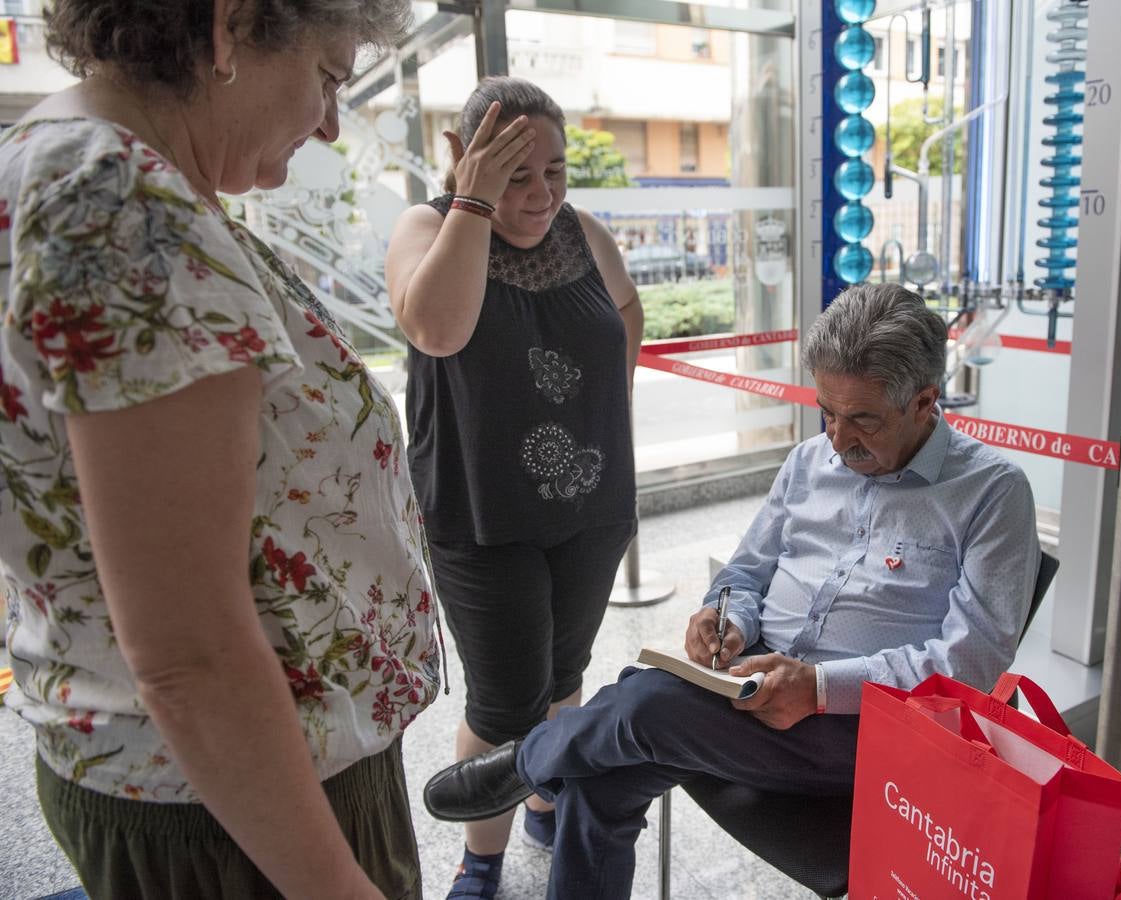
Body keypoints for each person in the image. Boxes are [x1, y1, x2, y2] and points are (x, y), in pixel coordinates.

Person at [0, 2, 440, 898]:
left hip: (197, 776)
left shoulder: (63, 163)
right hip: (245, 802)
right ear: (230, 29)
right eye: (327, 73)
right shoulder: (123, 205)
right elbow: (190, 654)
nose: (327, 121)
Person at [422, 283, 1042, 900]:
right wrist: (727, 619)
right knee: (597, 782)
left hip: (871, 733)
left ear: (926, 402)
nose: (835, 437)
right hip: (750, 686)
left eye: (862, 420)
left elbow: (972, 663)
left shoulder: (991, 492)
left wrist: (821, 689)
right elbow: (744, 575)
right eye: (826, 411)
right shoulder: (808, 462)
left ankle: (527, 763)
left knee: (644, 705)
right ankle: (559, 762)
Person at [384, 76, 642, 898]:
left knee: (564, 673)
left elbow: (627, 315)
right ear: (466, 158)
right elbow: (437, 327)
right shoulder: (428, 227)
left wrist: (605, 414)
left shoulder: (585, 232)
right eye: (516, 173)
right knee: (504, 702)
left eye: (555, 172)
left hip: (591, 508)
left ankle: (540, 799)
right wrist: (476, 204)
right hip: (482, 516)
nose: (540, 195)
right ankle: (480, 858)